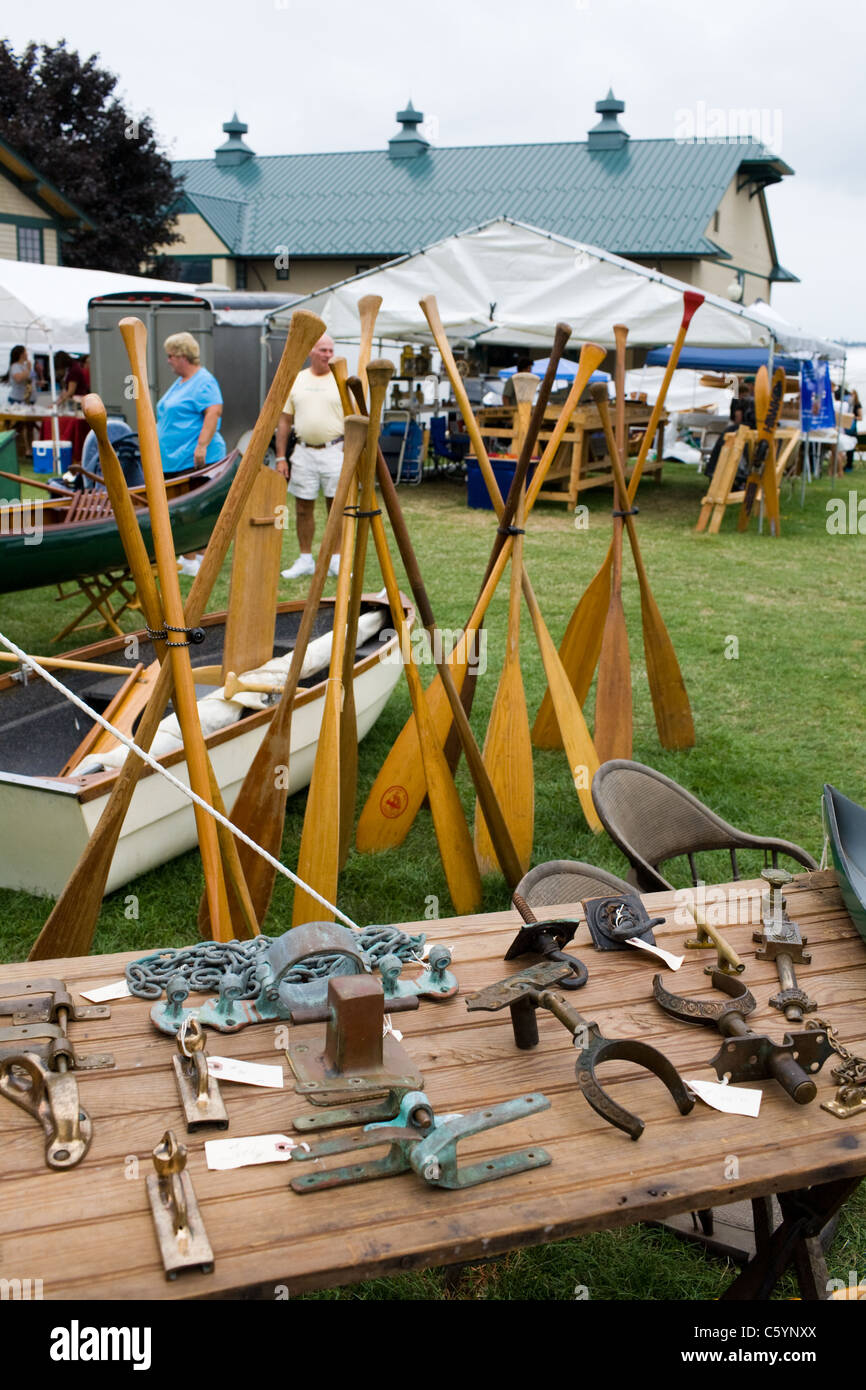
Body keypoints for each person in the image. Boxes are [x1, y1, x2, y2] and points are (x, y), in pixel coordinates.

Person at [275, 334, 344, 579]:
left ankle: (336, 559)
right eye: (323, 350)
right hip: (303, 452)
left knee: (336, 508)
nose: (328, 354)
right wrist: (280, 457)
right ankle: (305, 559)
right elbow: (284, 421)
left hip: (335, 450)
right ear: (310, 352)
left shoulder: (341, 378)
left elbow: (355, 417)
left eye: (330, 350)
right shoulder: (298, 379)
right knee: (303, 507)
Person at [156, 332, 226, 475]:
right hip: (173, 462)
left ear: (183, 356)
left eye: (171, 356)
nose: (168, 361)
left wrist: (202, 446)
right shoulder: (181, 382)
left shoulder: (204, 381)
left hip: (193, 463)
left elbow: (214, 412)